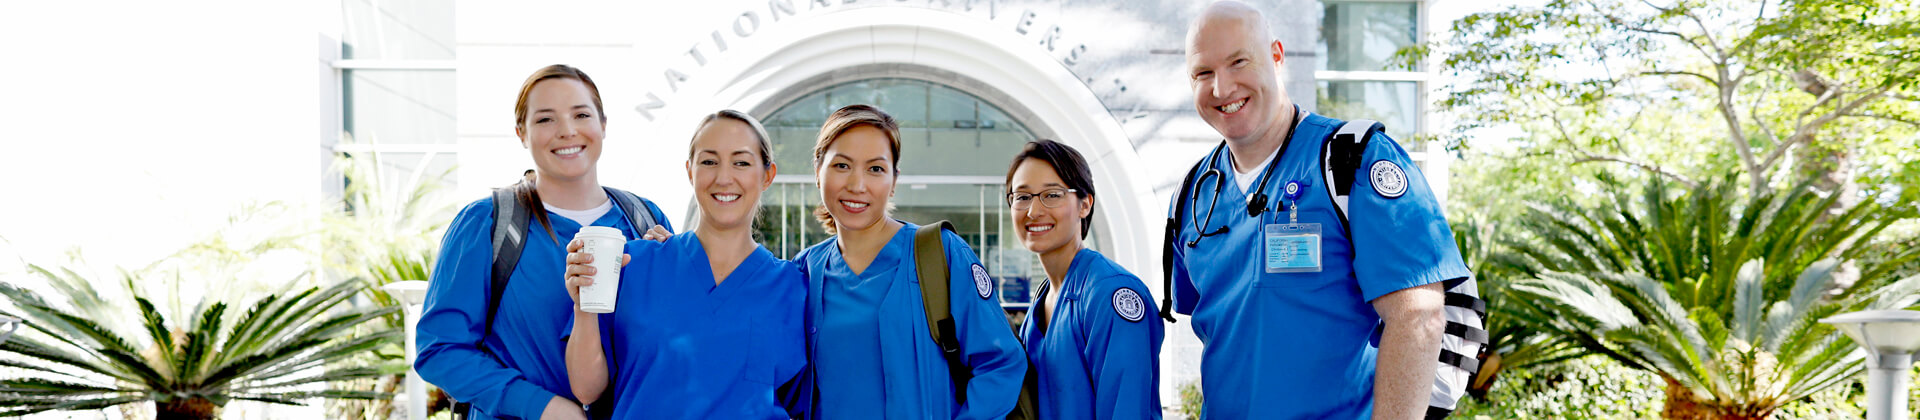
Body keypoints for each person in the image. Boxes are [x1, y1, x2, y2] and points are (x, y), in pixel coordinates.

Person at [1166, 2, 1470, 419]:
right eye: (1203, 73)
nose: (1221, 88)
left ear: (1276, 55)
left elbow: (1417, 318)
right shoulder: (1194, 195)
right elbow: (1227, 333)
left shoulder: (1354, 161)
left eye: (1238, 61)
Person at [415, 64, 673, 420]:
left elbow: (669, 343)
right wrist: (540, 406)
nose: (566, 131)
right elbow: (439, 349)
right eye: (545, 120)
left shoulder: (645, 220)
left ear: (603, 125)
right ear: (521, 133)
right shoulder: (486, 224)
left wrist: (675, 277)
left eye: (581, 114)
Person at [561, 110, 805, 419]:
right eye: (709, 161)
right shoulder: (632, 265)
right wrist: (583, 306)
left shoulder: (793, 288)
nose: (724, 177)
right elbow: (586, 389)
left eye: (741, 162)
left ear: (767, 175)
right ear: (690, 171)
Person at [790, 104, 1028, 419]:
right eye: (842, 165)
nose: (857, 185)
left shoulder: (939, 253)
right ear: (818, 171)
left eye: (875, 169)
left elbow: (1001, 364)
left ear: (894, 179)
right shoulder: (805, 271)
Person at [1004, 140, 1164, 419]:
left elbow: (1126, 410)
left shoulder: (1111, 294)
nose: (1033, 211)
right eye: (1022, 196)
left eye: (1052, 195)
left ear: (1085, 205)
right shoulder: (1042, 302)